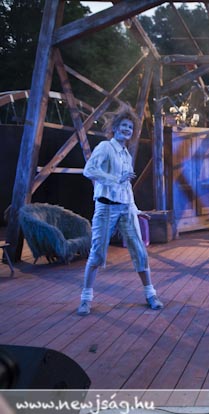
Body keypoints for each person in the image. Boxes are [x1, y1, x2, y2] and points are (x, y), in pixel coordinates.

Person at [77, 106, 163, 316]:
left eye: (130, 127)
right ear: (115, 128)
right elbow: (89, 170)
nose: (127, 129)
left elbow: (126, 187)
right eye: (124, 125)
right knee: (97, 253)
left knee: (140, 252)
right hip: (106, 207)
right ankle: (85, 299)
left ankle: (150, 295)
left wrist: (135, 209)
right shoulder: (106, 147)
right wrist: (115, 179)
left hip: (126, 208)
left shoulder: (126, 154)